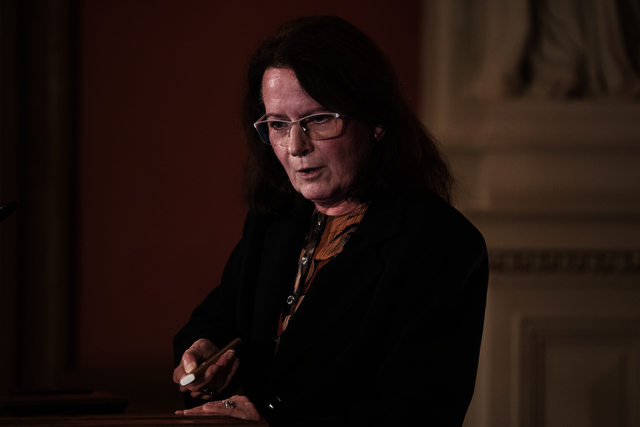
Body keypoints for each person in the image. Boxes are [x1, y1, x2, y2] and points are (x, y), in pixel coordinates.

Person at [173, 15, 488, 426]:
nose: (295, 146)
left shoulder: (440, 242)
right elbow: (217, 317)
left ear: (377, 120)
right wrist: (202, 350)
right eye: (278, 125)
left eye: (318, 119)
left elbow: (417, 411)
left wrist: (275, 425)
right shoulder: (275, 220)